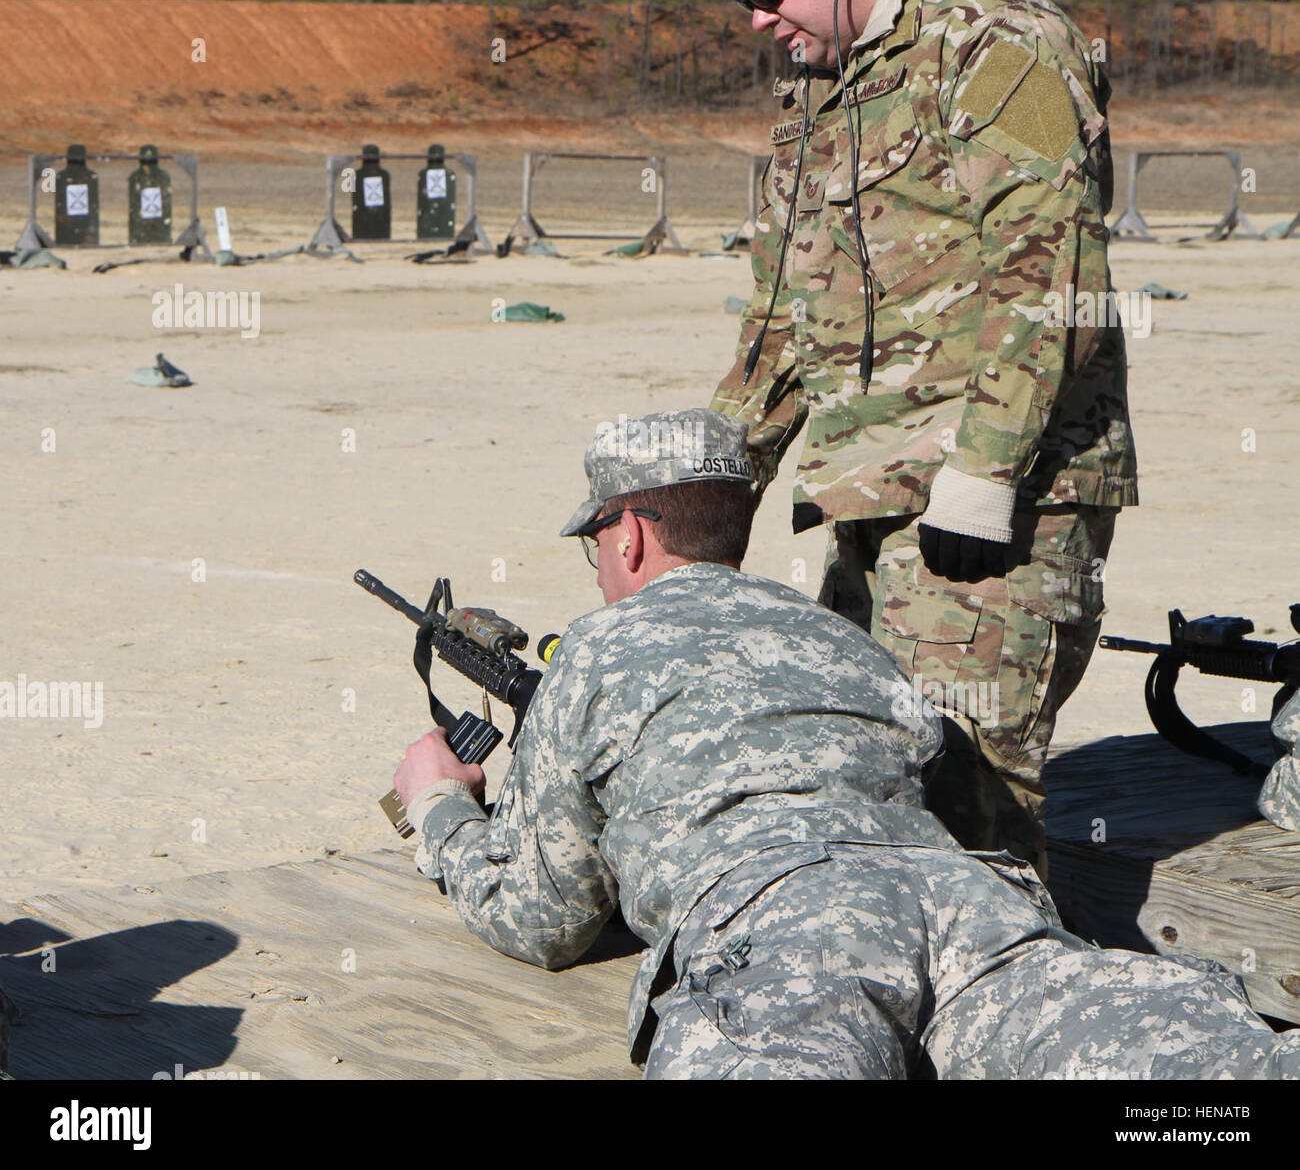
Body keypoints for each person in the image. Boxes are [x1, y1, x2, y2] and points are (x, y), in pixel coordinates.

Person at [394, 410, 1298, 1079]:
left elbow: (543, 920)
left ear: (627, 533)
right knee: (1194, 1071)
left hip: (792, 924)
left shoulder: (597, 647)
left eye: (595, 536)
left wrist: (440, 807)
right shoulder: (846, 639)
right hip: (968, 902)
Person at [708, 0, 1139, 877]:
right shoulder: (822, 90)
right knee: (859, 789)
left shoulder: (995, 42)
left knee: (967, 831)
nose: (759, 20)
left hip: (997, 511)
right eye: (740, 0)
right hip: (871, 501)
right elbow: (780, 309)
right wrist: (713, 478)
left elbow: (1051, 273)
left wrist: (984, 473)